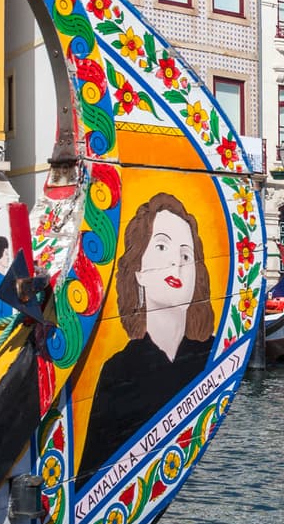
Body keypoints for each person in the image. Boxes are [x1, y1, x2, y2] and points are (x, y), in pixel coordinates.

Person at [77, 194, 215, 483]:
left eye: (186, 255)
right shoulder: (118, 372)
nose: (176, 262)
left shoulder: (215, 356)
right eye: (162, 246)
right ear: (138, 270)